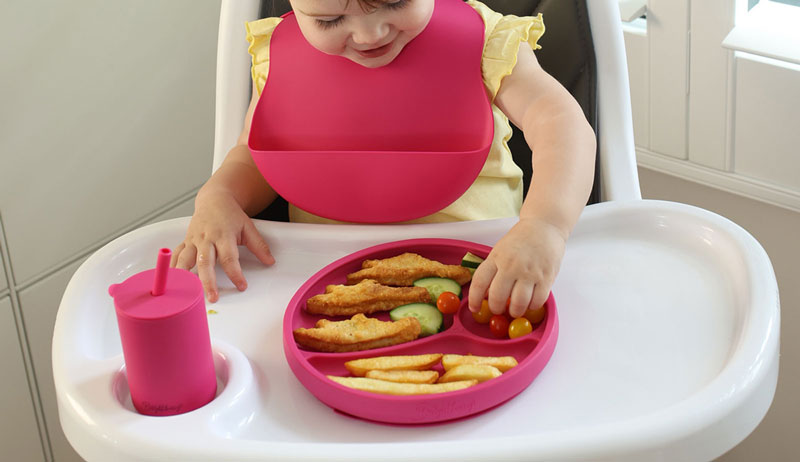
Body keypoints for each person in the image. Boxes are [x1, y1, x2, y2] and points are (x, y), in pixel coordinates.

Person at [171, 0, 596, 320]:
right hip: (327, 284)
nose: (369, 34)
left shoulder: (485, 40)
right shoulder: (276, 54)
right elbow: (252, 158)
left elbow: (559, 121)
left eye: (394, 1)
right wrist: (220, 196)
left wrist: (545, 226)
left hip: (487, 273)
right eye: (330, 20)